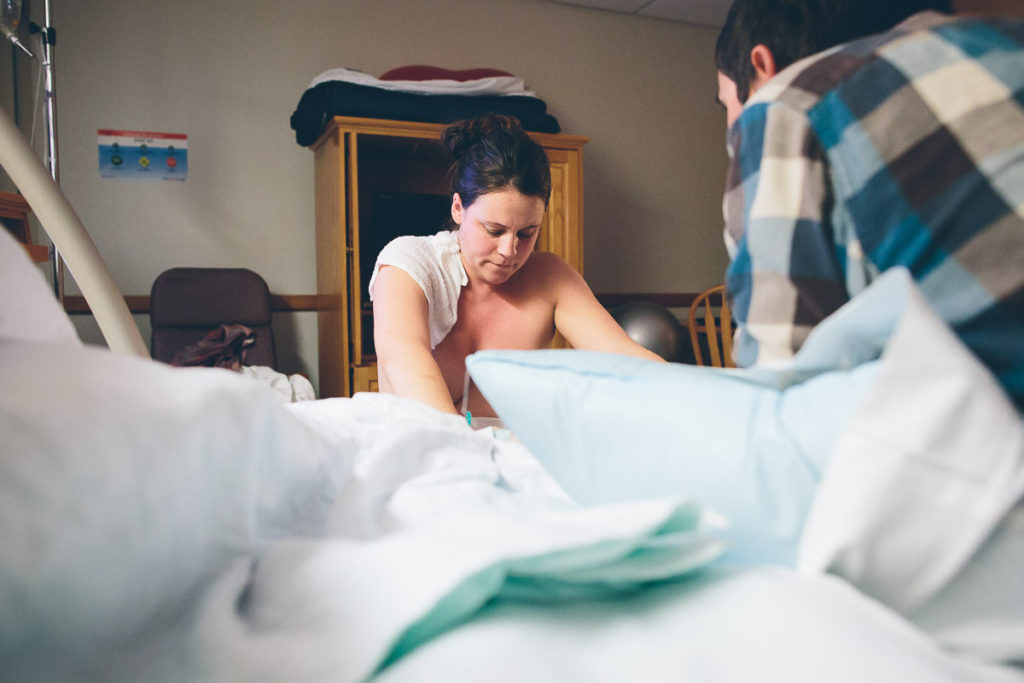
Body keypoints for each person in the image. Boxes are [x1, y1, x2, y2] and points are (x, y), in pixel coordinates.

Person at [714, 0, 1024, 411]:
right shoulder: (1004, 42)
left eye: (725, 106)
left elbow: (779, 405)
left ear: (762, 65)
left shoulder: (787, 104)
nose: (730, 127)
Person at [369, 114, 663, 417]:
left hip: (509, 456)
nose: (509, 251)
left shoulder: (549, 278)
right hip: (420, 451)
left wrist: (702, 398)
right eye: (494, 230)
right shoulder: (408, 266)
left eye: (527, 233)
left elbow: (627, 359)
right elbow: (405, 364)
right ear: (458, 208)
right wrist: (467, 453)